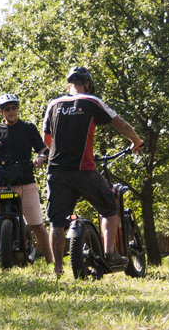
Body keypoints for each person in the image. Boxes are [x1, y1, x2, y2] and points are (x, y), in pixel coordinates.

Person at [43, 67, 144, 276]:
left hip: (56, 171)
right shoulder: (91, 101)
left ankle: (58, 271)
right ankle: (109, 253)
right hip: (83, 170)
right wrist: (136, 140)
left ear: (68, 84)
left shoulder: (53, 105)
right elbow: (120, 123)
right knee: (109, 207)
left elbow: (47, 141)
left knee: (57, 221)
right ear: (87, 84)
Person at [0, 94, 54, 265]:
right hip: (1, 182)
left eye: (14, 108)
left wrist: (40, 157)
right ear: (1, 112)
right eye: (7, 109)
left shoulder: (28, 128)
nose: (11, 111)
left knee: (37, 225)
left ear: (18, 109)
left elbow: (42, 149)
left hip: (26, 181)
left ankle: (52, 264)